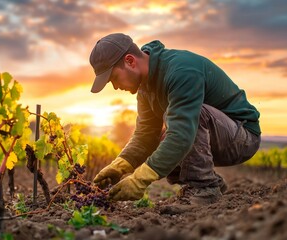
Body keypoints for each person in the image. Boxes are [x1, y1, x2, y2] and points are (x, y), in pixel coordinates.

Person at [89, 33, 261, 205]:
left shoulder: (181, 71)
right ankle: (210, 182)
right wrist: (120, 166)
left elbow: (182, 134)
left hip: (243, 136)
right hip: (215, 135)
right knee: (163, 139)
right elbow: (145, 136)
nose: (116, 86)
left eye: (114, 78)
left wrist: (140, 179)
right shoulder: (144, 89)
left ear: (130, 61)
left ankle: (205, 188)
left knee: (187, 122)